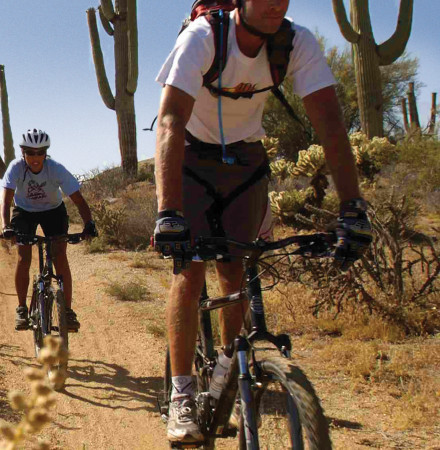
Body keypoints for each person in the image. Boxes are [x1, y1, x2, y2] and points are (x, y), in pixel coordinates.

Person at [152, 0, 372, 443]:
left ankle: (226, 371)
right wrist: (168, 212)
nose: (276, 2)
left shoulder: (296, 43)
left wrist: (352, 207)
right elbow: (172, 118)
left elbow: (330, 125)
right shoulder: (203, 37)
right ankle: (181, 396)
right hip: (190, 157)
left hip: (246, 161)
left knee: (236, 268)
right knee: (190, 270)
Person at [0, 129, 97, 332]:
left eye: (40, 152)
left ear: (46, 153)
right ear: (23, 152)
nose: (35, 158)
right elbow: (6, 199)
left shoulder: (56, 169)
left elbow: (78, 199)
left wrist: (89, 224)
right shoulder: (16, 168)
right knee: (23, 257)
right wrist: (6, 226)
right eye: (31, 153)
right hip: (25, 212)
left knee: (60, 256)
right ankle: (21, 309)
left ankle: (67, 311)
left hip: (53, 211)